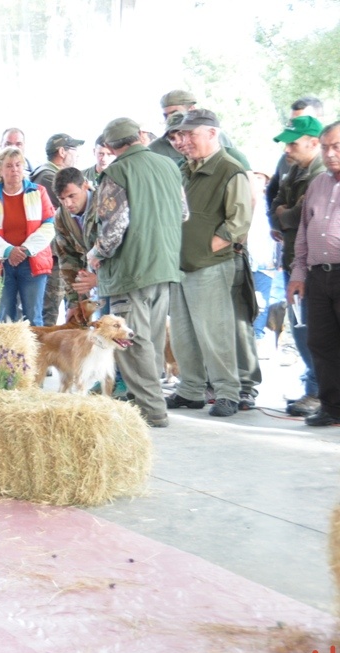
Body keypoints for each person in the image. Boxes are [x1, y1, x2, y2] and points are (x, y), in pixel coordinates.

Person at [86, 118, 186, 428]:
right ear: (139, 136)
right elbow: (183, 213)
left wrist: (96, 254)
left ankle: (152, 410)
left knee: (130, 341)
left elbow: (114, 227)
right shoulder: (170, 166)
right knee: (151, 340)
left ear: (110, 146)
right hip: (165, 264)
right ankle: (145, 402)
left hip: (131, 270)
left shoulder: (116, 172)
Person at [165, 109, 253, 418]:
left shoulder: (230, 169)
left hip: (210, 265)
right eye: (182, 135)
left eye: (191, 134)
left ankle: (227, 392)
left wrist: (207, 247)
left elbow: (239, 221)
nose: (184, 140)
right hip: (180, 265)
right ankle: (191, 390)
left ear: (212, 133)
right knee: (183, 334)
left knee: (216, 333)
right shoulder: (184, 169)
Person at [270, 115, 326, 417]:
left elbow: (298, 217)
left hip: (313, 265)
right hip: (294, 260)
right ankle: (315, 388)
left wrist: (286, 213)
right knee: (302, 330)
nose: (287, 149)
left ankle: (318, 392)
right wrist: (284, 213)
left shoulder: (321, 174)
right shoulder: (293, 170)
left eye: (293, 144)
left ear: (313, 143)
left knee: (314, 333)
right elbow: (276, 206)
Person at [287, 121, 340, 426]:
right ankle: (332, 407)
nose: (330, 153)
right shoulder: (318, 183)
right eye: (325, 147)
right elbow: (304, 232)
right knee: (321, 343)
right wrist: (298, 273)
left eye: (337, 146)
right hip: (318, 276)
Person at [0, 146, 56, 327]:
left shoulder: (39, 192)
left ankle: (34, 348)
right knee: (5, 318)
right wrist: (8, 251)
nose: (15, 170)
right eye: (9, 166)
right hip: (2, 264)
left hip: (33, 262)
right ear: (0, 170)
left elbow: (49, 226)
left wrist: (25, 249)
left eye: (18, 165)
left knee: (33, 318)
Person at [32, 134, 84, 326]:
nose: (77, 155)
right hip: (54, 255)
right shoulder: (48, 176)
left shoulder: (46, 174)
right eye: (74, 150)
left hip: (60, 254)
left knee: (69, 311)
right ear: (62, 152)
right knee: (50, 314)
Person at [52, 167, 97, 323]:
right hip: (90, 282)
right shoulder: (61, 217)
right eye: (62, 198)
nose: (68, 203)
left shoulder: (104, 205)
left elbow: (120, 250)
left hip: (120, 281)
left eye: (72, 196)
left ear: (85, 186)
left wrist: (99, 280)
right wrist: (73, 302)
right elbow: (67, 259)